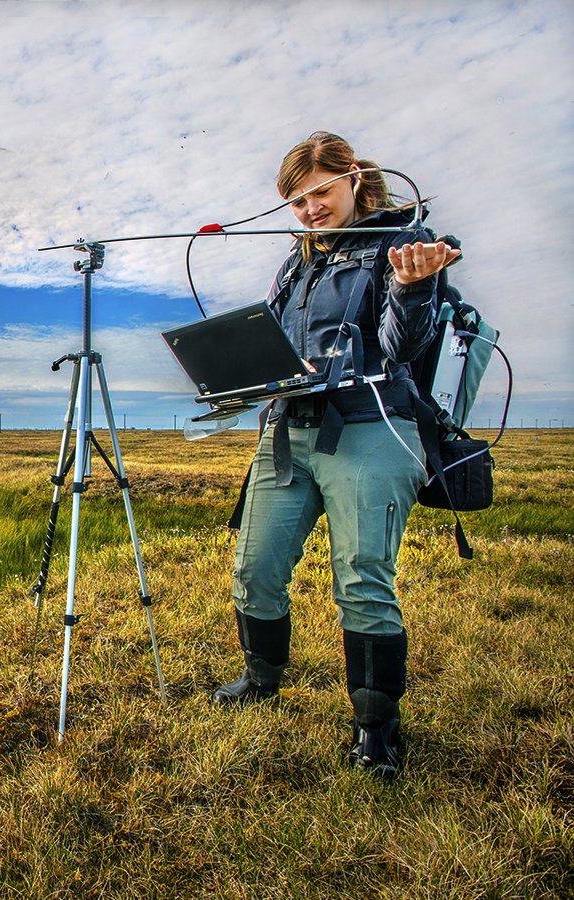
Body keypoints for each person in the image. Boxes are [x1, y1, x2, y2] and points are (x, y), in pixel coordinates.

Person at [212, 131, 461, 780]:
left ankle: (376, 731)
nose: (309, 209)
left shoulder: (397, 247)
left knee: (360, 575)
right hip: (288, 432)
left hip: (370, 428)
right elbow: (272, 338)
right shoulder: (294, 263)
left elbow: (402, 347)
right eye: (295, 201)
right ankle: (260, 678)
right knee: (253, 566)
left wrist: (411, 289)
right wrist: (237, 374)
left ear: (351, 176)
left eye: (318, 192)